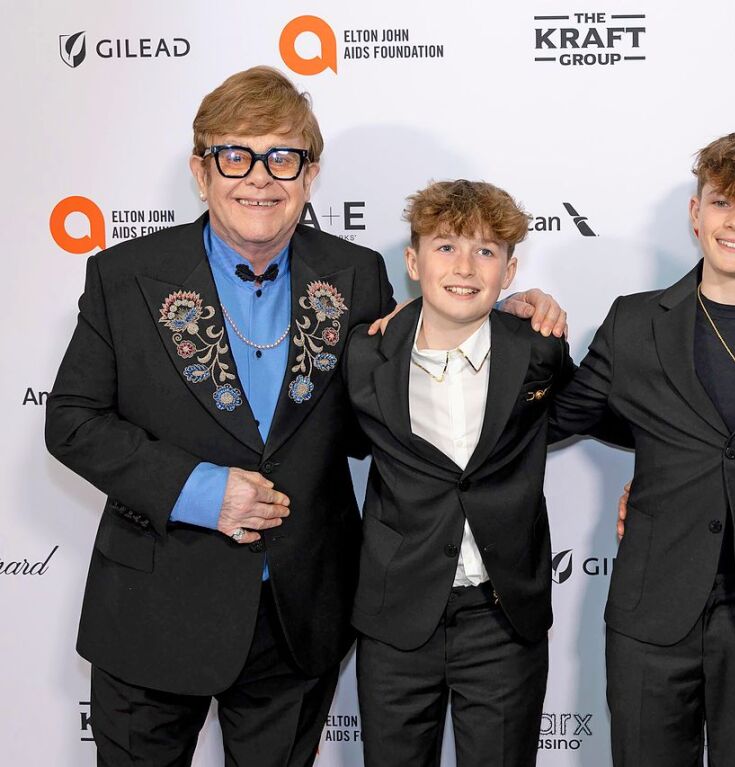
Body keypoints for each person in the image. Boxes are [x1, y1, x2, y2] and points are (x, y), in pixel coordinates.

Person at [44, 67, 565, 766]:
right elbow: (74, 421)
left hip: (298, 616)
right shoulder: (125, 275)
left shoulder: (353, 275)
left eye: (282, 156)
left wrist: (497, 310)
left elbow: (382, 404)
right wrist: (202, 489)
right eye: (236, 154)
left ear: (309, 175)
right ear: (202, 171)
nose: (259, 177)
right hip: (154, 610)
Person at [549, 132, 735, 766]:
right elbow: (555, 419)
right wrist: (499, 320)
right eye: (721, 202)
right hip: (652, 612)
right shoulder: (633, 323)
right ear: (694, 212)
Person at [344, 179, 572, 767]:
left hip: (501, 619)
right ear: (413, 262)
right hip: (396, 618)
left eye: (486, 251)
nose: (465, 266)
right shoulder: (366, 356)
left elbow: (601, 414)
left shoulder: (540, 351)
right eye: (446, 247)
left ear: (510, 269)